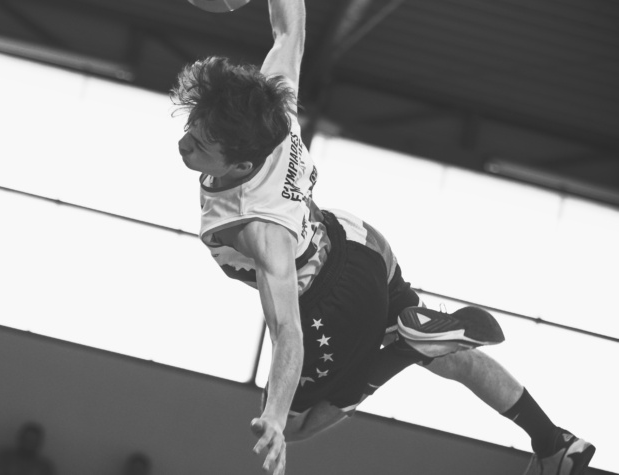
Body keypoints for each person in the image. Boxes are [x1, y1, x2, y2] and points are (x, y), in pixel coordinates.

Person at [170, 1, 595, 474]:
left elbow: (288, 329)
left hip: (329, 302)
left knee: (296, 424)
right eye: (191, 127)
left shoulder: (257, 226)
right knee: (452, 358)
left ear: (242, 165)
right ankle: (553, 442)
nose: (183, 143)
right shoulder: (270, 106)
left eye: (199, 145)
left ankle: (406, 349)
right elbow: (289, 30)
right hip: (361, 244)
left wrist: (274, 415)